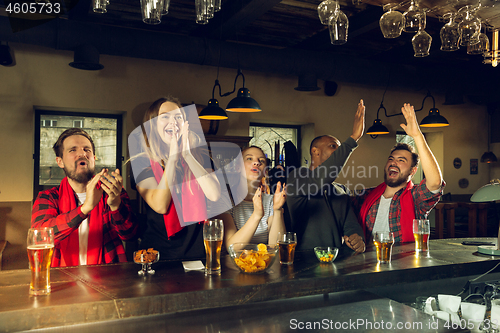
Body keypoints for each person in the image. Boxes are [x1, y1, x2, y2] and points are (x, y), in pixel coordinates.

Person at [31, 128, 138, 267]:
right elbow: (40, 237)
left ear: (93, 158)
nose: (82, 154)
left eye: (87, 150)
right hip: (61, 280)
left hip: (107, 279)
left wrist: (116, 205)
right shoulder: (48, 197)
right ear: (60, 161)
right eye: (72, 150)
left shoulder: (112, 192)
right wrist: (85, 208)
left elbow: (130, 235)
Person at [131, 97, 221, 260]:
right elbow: (160, 206)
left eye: (178, 117)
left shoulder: (200, 157)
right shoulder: (141, 161)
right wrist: (172, 159)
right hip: (157, 254)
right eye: (165, 116)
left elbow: (214, 194)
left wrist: (187, 155)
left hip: (197, 253)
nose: (173, 121)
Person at [352, 103, 445, 243]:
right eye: (391, 159)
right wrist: (353, 138)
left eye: (401, 160)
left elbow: (435, 183)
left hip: (404, 264)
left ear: (413, 170)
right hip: (368, 262)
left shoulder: (416, 198)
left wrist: (417, 136)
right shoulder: (366, 196)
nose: (393, 163)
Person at [286, 100, 366, 253]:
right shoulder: (296, 178)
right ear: (315, 151)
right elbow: (319, 180)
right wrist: (352, 140)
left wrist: (357, 238)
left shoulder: (341, 190)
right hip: (302, 265)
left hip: (336, 264)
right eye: (333, 145)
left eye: (339, 146)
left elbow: (350, 225)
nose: (339, 150)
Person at [217, 146, 286, 249]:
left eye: (261, 161)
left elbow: (275, 247)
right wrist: (256, 215)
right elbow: (232, 248)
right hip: (235, 263)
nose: (257, 163)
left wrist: (277, 210)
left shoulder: (271, 201)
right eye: (249, 158)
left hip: (263, 262)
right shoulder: (224, 199)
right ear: (238, 167)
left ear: (264, 171)